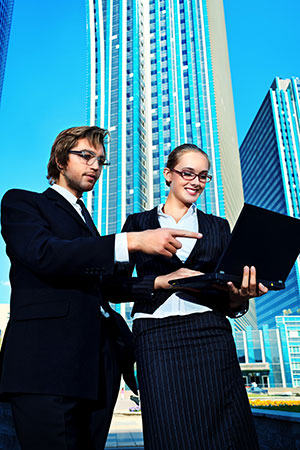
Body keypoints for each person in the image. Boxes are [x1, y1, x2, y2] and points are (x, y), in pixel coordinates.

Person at [0, 127, 202, 450]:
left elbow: (104, 286)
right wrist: (133, 240)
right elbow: (45, 253)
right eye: (86, 156)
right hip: (46, 368)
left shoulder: (86, 221)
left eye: (101, 161)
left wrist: (163, 281)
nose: (95, 165)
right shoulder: (21, 203)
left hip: (96, 370)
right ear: (60, 159)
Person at [108, 144, 268, 449]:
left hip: (210, 335)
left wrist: (240, 295)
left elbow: (232, 301)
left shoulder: (218, 227)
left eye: (203, 176)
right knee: (168, 428)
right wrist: (162, 281)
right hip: (155, 336)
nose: (196, 181)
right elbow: (115, 289)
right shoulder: (137, 225)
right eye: (188, 173)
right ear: (168, 174)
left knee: (227, 428)